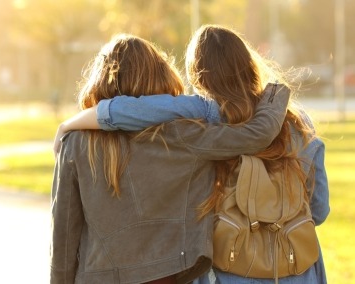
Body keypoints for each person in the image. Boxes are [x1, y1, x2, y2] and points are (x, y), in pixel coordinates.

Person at [53, 25, 329, 284]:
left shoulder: (199, 120)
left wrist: (78, 121)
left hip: (228, 267)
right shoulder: (296, 126)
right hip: (297, 265)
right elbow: (318, 210)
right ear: (250, 66)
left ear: (199, 77)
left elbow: (64, 235)